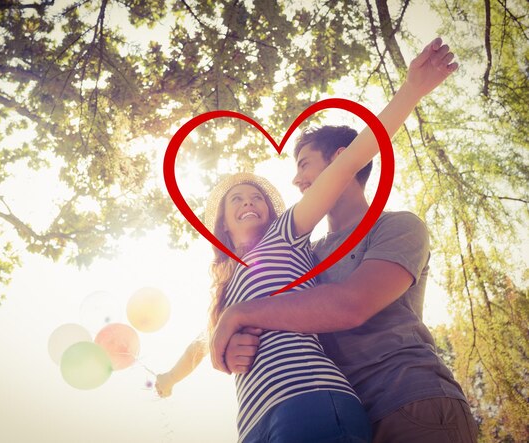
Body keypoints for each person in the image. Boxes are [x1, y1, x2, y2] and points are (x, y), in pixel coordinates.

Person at [158, 37, 460, 442]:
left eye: (304, 165)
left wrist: (411, 91)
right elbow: (206, 339)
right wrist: (204, 355)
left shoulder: (374, 229)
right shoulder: (310, 256)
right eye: (236, 200)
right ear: (223, 227)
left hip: (404, 398)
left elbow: (349, 306)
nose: (297, 179)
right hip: (332, 412)